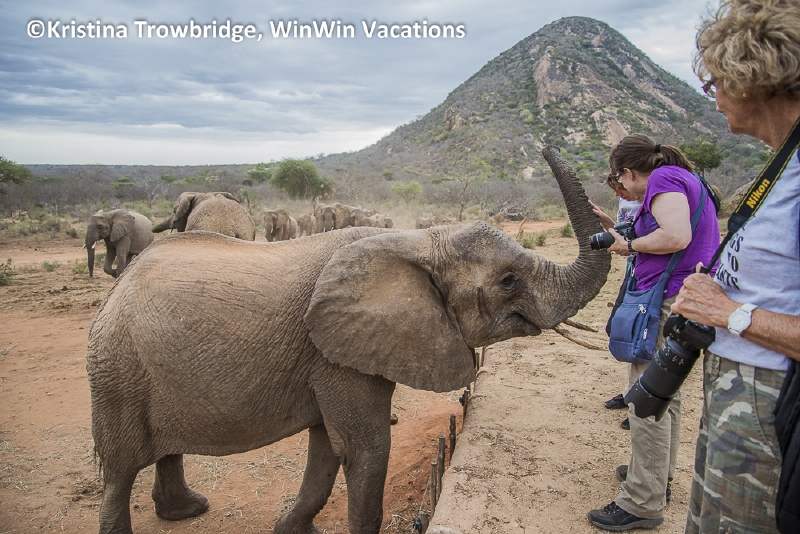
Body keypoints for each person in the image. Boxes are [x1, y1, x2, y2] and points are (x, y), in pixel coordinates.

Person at [671, 0, 800, 531]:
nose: (716, 99)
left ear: (753, 79)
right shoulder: (785, 164)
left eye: (715, 83)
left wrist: (731, 313)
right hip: (738, 399)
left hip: (770, 407)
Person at [587, 135, 721, 531]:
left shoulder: (663, 180)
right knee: (664, 396)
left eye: (619, 180)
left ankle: (642, 501)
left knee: (646, 399)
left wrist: (628, 246)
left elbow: (676, 236)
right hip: (685, 298)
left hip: (666, 301)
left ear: (628, 172)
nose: (622, 187)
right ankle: (655, 479)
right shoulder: (684, 178)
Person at [590, 177, 643, 426]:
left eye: (622, 188)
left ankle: (642, 402)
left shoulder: (658, 201)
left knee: (642, 338)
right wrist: (608, 223)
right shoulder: (627, 201)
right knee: (622, 332)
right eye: (616, 190)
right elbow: (627, 234)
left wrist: (631, 246)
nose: (619, 194)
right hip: (633, 272)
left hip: (652, 277)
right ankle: (632, 392)